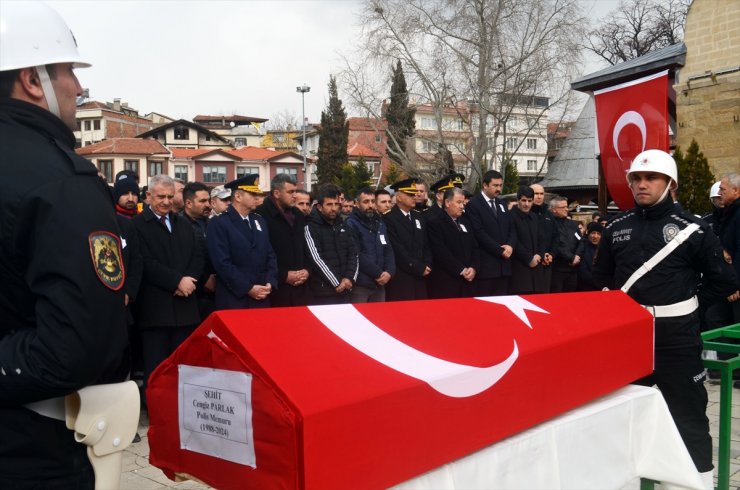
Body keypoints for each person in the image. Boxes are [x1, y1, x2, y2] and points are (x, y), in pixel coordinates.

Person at [0, 3, 128, 487]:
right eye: (69, 70)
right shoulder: (60, 180)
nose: (79, 86)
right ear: (33, 79)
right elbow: (72, 348)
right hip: (30, 450)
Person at [593, 150, 737, 486]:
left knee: (688, 418)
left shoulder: (694, 229)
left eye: (651, 178)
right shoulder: (616, 227)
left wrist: (689, 308)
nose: (642, 185)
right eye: (637, 179)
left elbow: (725, 281)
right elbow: (600, 278)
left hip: (678, 340)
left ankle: (698, 482)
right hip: (629, 340)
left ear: (669, 183)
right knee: (626, 416)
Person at [132, 174, 204, 400]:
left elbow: (198, 254)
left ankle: (180, 409)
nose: (166, 201)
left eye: (170, 197)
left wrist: (190, 280)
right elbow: (144, 261)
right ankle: (156, 408)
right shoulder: (137, 225)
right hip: (156, 310)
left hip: (185, 307)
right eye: (161, 196)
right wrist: (175, 281)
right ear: (148, 196)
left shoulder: (183, 223)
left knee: (183, 364)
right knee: (156, 366)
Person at [207, 174, 278, 309]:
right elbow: (222, 263)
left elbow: (270, 255)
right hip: (235, 299)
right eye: (252, 194)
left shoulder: (260, 221)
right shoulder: (219, 223)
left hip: (262, 297)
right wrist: (248, 288)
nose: (257, 198)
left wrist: (270, 282)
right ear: (238, 197)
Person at [255, 174, 312, 307]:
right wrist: (283, 275)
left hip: (301, 288)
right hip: (275, 290)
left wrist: (307, 270)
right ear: (276, 193)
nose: (295, 196)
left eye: (295, 192)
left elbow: (306, 246)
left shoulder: (298, 214)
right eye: (290, 192)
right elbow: (260, 253)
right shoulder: (260, 215)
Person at [304, 184, 359, 305]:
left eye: (336, 204)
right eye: (329, 204)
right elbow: (316, 258)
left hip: (346, 289)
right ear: (319, 207)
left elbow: (353, 254)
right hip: (323, 292)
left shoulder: (343, 224)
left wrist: (349, 278)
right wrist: (337, 282)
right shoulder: (311, 227)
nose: (334, 208)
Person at [466, 170, 515, 296]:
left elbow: (511, 228)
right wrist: (500, 250)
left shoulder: (502, 204)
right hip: (486, 268)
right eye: (495, 185)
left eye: (500, 185)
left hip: (504, 267)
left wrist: (510, 245)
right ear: (485, 185)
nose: (498, 189)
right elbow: (478, 232)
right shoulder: (474, 205)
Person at [383, 178, 433, 301]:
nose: (414, 196)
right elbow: (397, 249)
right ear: (399, 197)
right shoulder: (389, 218)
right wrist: (417, 267)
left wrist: (427, 264)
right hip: (402, 277)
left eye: (414, 194)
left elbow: (426, 243)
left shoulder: (418, 216)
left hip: (421, 274)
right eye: (410, 194)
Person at [426, 187, 479, 298]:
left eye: (463, 202)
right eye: (458, 202)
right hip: (446, 283)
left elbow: (475, 247)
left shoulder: (466, 221)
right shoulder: (435, 223)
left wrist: (474, 267)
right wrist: (461, 270)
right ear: (447, 202)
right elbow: (440, 252)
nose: (462, 206)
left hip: (468, 282)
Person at [345, 187, 396, 303]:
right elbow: (356, 254)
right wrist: (379, 273)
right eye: (366, 202)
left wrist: (389, 271)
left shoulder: (379, 222)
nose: (370, 205)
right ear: (357, 204)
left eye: (373, 201)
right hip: (361, 284)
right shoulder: (351, 224)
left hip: (380, 284)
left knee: (379, 318)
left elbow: (388, 249)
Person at [509, 187, 547, 295]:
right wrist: (529, 259)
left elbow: (542, 239)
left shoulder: (534, 217)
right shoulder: (510, 216)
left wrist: (539, 255)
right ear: (518, 200)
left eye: (530, 201)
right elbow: (513, 241)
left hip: (537, 270)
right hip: (519, 271)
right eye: (524, 200)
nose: (527, 204)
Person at [550, 196, 581, 293]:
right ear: (554, 210)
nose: (566, 209)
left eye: (566, 206)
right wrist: (571, 258)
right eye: (562, 207)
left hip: (573, 270)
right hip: (557, 270)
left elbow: (581, 241)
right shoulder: (550, 224)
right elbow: (557, 244)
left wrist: (578, 255)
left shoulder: (573, 224)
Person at [530, 183, 556, 292]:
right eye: (536, 194)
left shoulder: (549, 214)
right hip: (531, 262)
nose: (539, 196)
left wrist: (552, 254)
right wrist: (540, 254)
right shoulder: (526, 213)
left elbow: (556, 236)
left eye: (541, 194)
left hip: (547, 263)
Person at [576, 221, 602, 291]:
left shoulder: (604, 249)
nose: (595, 236)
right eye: (593, 233)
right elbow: (582, 271)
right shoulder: (582, 247)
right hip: (585, 287)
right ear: (588, 234)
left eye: (598, 234)